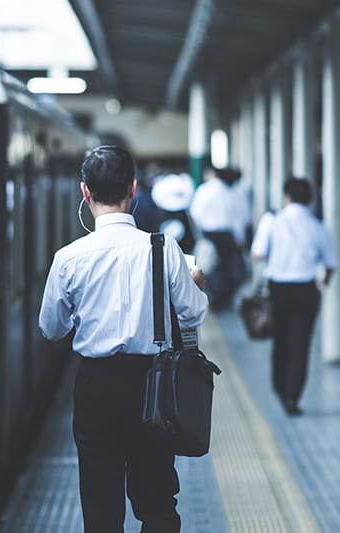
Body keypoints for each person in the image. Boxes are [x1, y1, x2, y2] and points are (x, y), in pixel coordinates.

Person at [39, 146, 208, 533]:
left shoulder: (68, 258)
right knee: (158, 502)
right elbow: (193, 313)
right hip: (154, 385)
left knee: (101, 506)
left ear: (85, 192)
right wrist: (196, 285)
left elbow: (51, 329)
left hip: (96, 386)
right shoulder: (164, 250)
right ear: (133, 189)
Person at [251, 177, 336, 416]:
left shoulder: (273, 220)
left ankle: (280, 387)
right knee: (301, 345)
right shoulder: (317, 225)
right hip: (306, 290)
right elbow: (330, 263)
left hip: (279, 289)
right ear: (309, 199)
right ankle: (292, 396)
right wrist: (323, 283)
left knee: (281, 341)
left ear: (286, 196)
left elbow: (257, 253)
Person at [190, 167, 250, 310]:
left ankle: (213, 297)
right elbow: (238, 217)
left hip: (209, 233)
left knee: (209, 267)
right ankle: (223, 299)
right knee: (226, 267)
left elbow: (195, 212)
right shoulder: (229, 191)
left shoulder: (204, 190)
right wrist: (239, 237)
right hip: (227, 235)